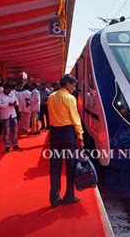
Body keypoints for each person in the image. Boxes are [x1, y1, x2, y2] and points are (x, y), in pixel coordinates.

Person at [48, 74, 84, 207]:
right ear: (68, 84)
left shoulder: (51, 96)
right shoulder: (69, 98)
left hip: (55, 133)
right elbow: (76, 119)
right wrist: (80, 136)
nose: (74, 88)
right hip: (67, 134)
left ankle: (54, 198)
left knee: (55, 166)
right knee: (70, 165)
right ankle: (69, 195)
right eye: (73, 85)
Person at [0, 83, 22, 152]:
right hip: (5, 115)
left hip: (13, 114)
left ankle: (15, 144)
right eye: (7, 90)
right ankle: (7, 145)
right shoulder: (0, 96)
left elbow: (17, 101)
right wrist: (8, 104)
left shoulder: (12, 93)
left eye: (10, 90)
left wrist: (15, 103)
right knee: (6, 131)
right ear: (4, 89)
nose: (9, 92)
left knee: (14, 130)